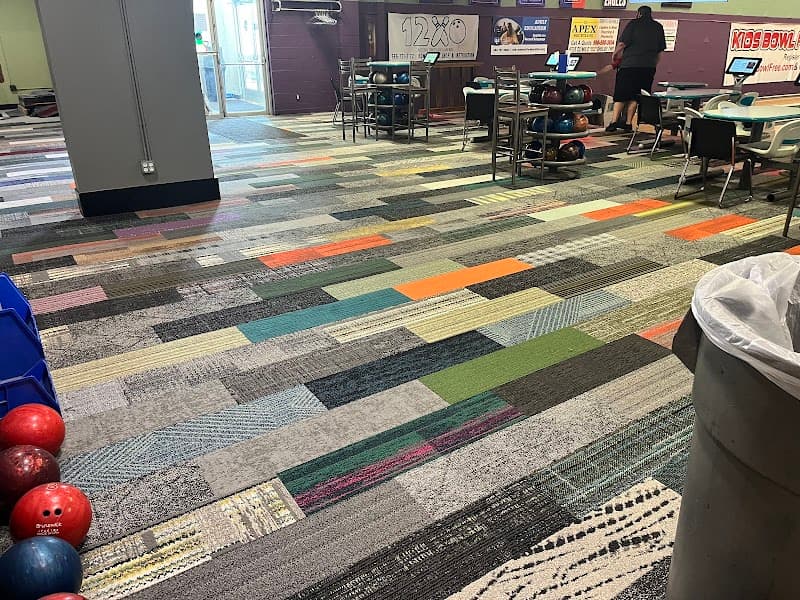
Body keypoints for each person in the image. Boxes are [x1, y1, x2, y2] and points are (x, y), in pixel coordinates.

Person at [606, 5, 666, 132]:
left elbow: (622, 43)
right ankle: (628, 123)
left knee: (621, 95)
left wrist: (614, 54)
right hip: (648, 67)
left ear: (639, 13)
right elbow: (660, 51)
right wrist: (653, 64)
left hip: (629, 66)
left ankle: (614, 122)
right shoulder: (658, 27)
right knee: (636, 96)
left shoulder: (633, 24)